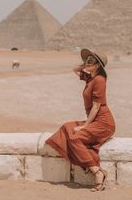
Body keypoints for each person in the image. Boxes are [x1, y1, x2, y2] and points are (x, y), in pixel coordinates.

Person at [45, 48, 116, 191]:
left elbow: (96, 107)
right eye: (86, 60)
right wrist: (86, 64)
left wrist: (85, 126)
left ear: (98, 66)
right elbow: (75, 70)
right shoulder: (91, 78)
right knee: (67, 127)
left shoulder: (99, 80)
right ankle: (95, 168)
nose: (86, 62)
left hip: (103, 122)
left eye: (91, 61)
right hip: (95, 119)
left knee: (76, 139)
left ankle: (97, 172)